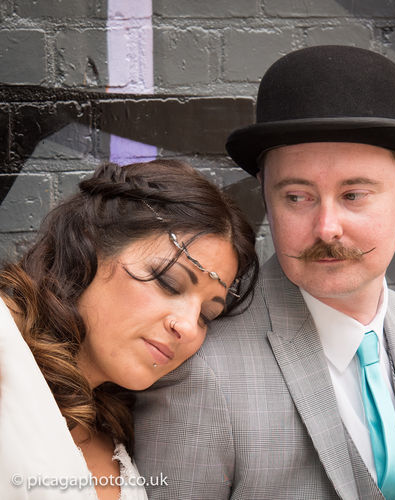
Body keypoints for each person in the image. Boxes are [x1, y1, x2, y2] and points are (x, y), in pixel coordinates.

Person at [134, 46, 395, 499]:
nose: (326, 227)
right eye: (297, 197)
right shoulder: (200, 372)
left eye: (353, 195)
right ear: (266, 195)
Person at [0, 159, 258, 500]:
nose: (187, 327)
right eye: (168, 282)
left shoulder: (113, 423)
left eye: (206, 315)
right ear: (89, 246)